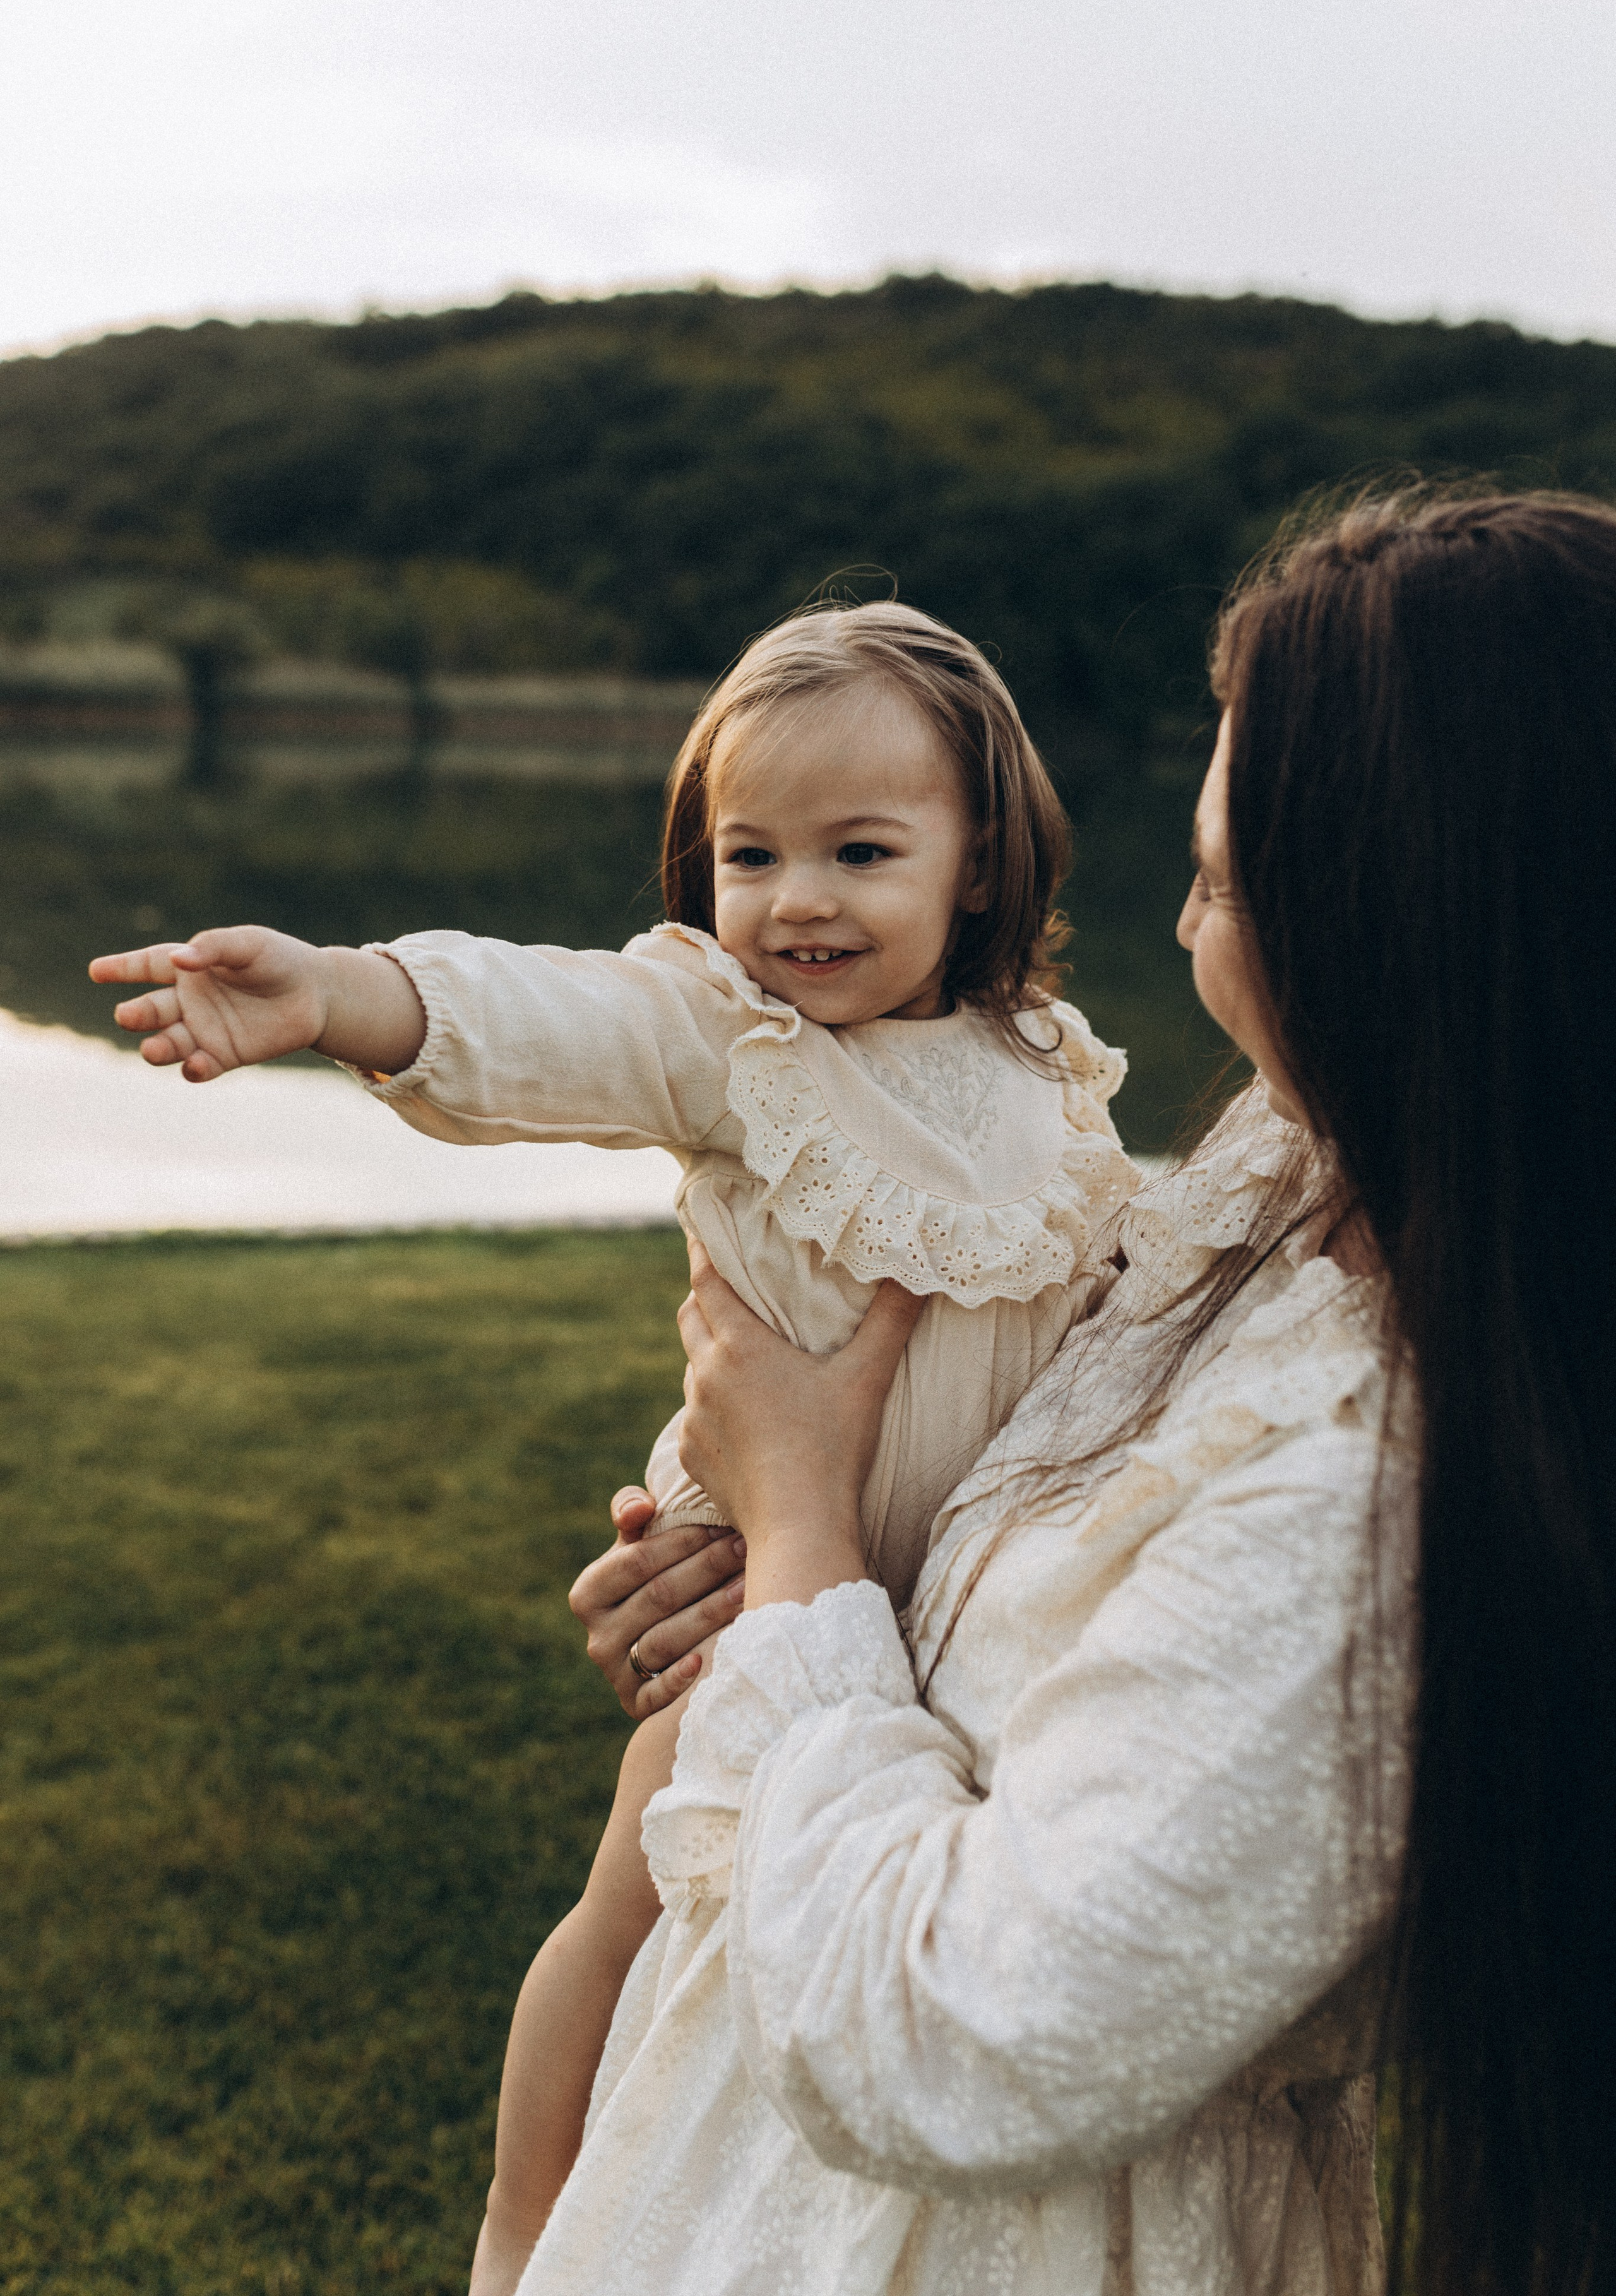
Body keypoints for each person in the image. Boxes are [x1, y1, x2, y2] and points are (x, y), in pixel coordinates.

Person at [545, 491, 1616, 2296]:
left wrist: (803, 1524)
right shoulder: (1303, 1186)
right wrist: (764, 1576)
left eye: (1220, 881)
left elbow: (973, 2039)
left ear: (1409, 926)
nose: (1187, 928)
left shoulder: (1373, 1491)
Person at [86, 602, 1141, 2286]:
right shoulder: (733, 1041)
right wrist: (349, 996)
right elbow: (552, 1021)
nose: (798, 897)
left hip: (960, 1629)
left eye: (861, 850)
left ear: (984, 860)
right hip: (749, 1608)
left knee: (845, 1970)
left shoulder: (1053, 1077)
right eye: (750, 852)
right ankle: (526, 2232)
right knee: (635, 1904)